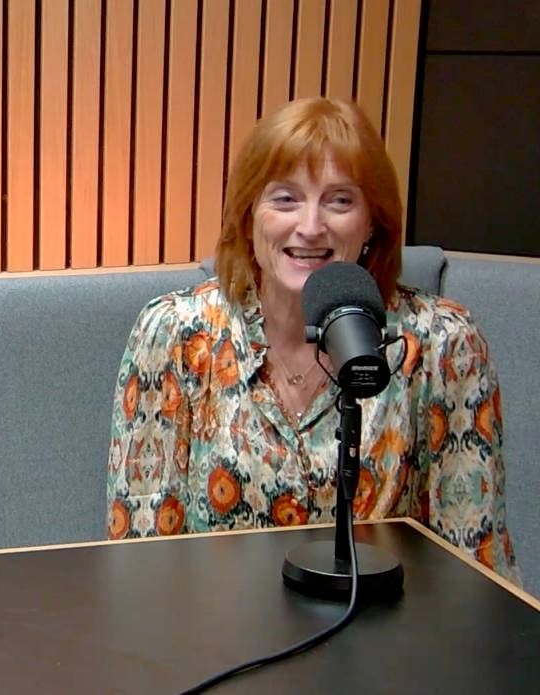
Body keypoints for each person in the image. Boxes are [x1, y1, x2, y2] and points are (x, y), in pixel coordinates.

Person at [105, 96, 518, 582]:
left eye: (340, 200)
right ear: (249, 215)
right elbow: (140, 566)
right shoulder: (174, 334)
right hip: (216, 646)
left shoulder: (443, 345)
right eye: (285, 198)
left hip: (382, 644)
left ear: (372, 224)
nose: (310, 225)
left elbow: (473, 572)